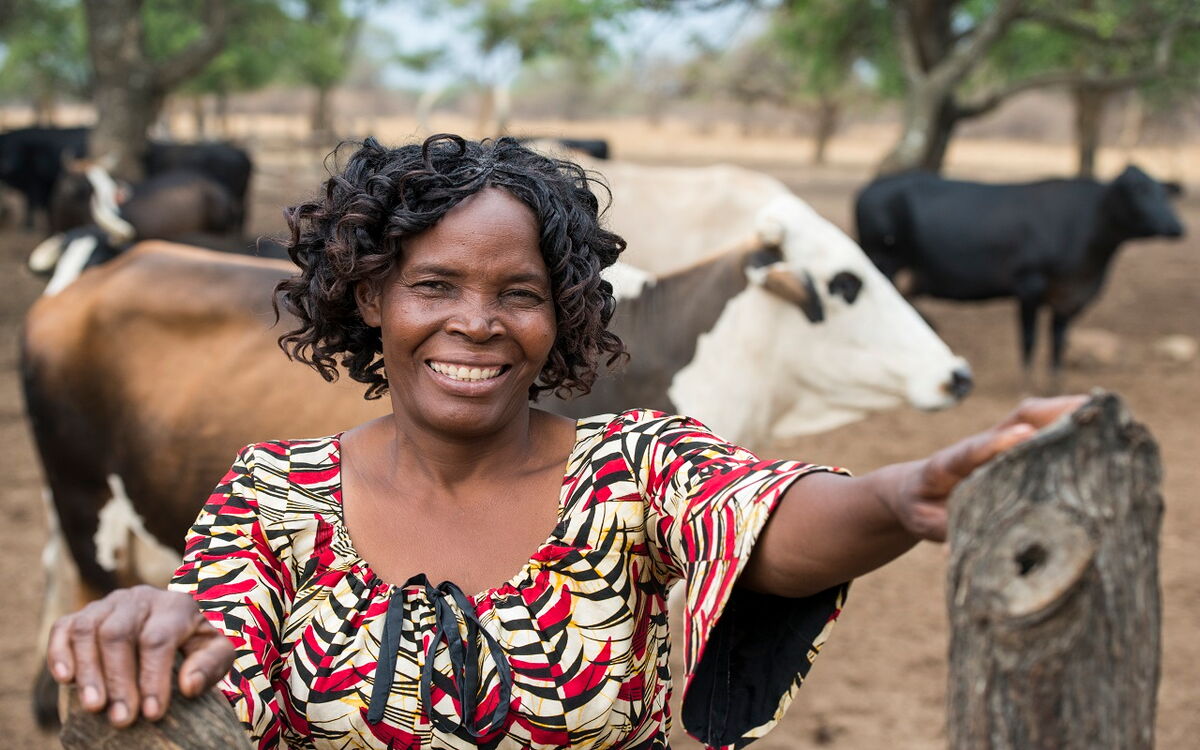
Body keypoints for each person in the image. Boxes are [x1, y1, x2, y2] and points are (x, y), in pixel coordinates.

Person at [46, 134, 1084, 750]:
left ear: (564, 318)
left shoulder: (633, 469)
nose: (477, 323)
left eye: (520, 293)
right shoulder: (274, 495)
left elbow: (766, 521)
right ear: (371, 300)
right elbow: (211, 630)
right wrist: (149, 621)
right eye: (434, 285)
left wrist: (899, 497)